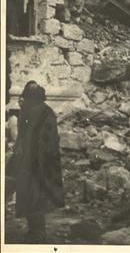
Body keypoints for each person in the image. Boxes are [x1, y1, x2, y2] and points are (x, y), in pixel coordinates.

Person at [10, 81, 64, 243]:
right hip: (42, 163)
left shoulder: (30, 112)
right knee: (36, 197)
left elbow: (25, 138)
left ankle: (37, 232)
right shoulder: (47, 111)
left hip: (32, 164)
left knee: (31, 196)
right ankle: (36, 231)